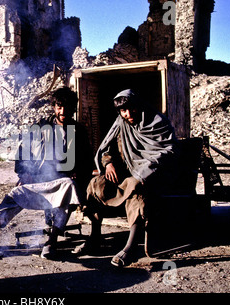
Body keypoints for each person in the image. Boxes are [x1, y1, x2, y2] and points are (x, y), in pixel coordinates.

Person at [0, 86, 94, 259]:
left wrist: (78, 172)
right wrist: (24, 174)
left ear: (73, 108)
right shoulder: (40, 128)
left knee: (67, 191)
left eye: (67, 107)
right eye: (59, 107)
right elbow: (23, 152)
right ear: (54, 107)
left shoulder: (79, 131)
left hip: (62, 182)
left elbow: (87, 160)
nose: (63, 111)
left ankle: (52, 241)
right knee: (15, 194)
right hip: (38, 180)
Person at [73, 89, 179, 267]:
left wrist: (145, 170)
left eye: (131, 109)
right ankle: (95, 236)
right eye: (123, 111)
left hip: (154, 175)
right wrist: (108, 163)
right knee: (95, 184)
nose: (127, 114)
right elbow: (106, 147)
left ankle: (130, 247)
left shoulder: (158, 122)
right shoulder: (121, 123)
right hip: (126, 173)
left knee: (137, 189)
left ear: (138, 106)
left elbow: (169, 151)